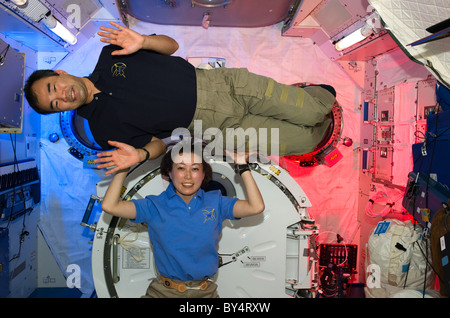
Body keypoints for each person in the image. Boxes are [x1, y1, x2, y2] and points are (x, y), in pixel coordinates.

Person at [24, 21, 336, 175]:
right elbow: (159, 144)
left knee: (314, 112)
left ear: (60, 74)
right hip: (214, 129)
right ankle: (310, 107)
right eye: (56, 104)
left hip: (225, 86)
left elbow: (171, 46)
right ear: (60, 110)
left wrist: (144, 40)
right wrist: (140, 156)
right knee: (307, 143)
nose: (62, 96)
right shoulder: (105, 132)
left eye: (54, 87)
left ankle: (320, 94)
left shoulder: (111, 54)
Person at [101, 144, 265, 297]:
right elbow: (110, 206)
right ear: (170, 173)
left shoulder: (217, 202)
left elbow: (255, 207)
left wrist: (243, 167)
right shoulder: (154, 205)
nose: (188, 176)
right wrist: (123, 169)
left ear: (203, 174)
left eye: (195, 169)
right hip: (163, 292)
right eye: (180, 168)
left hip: (205, 292)